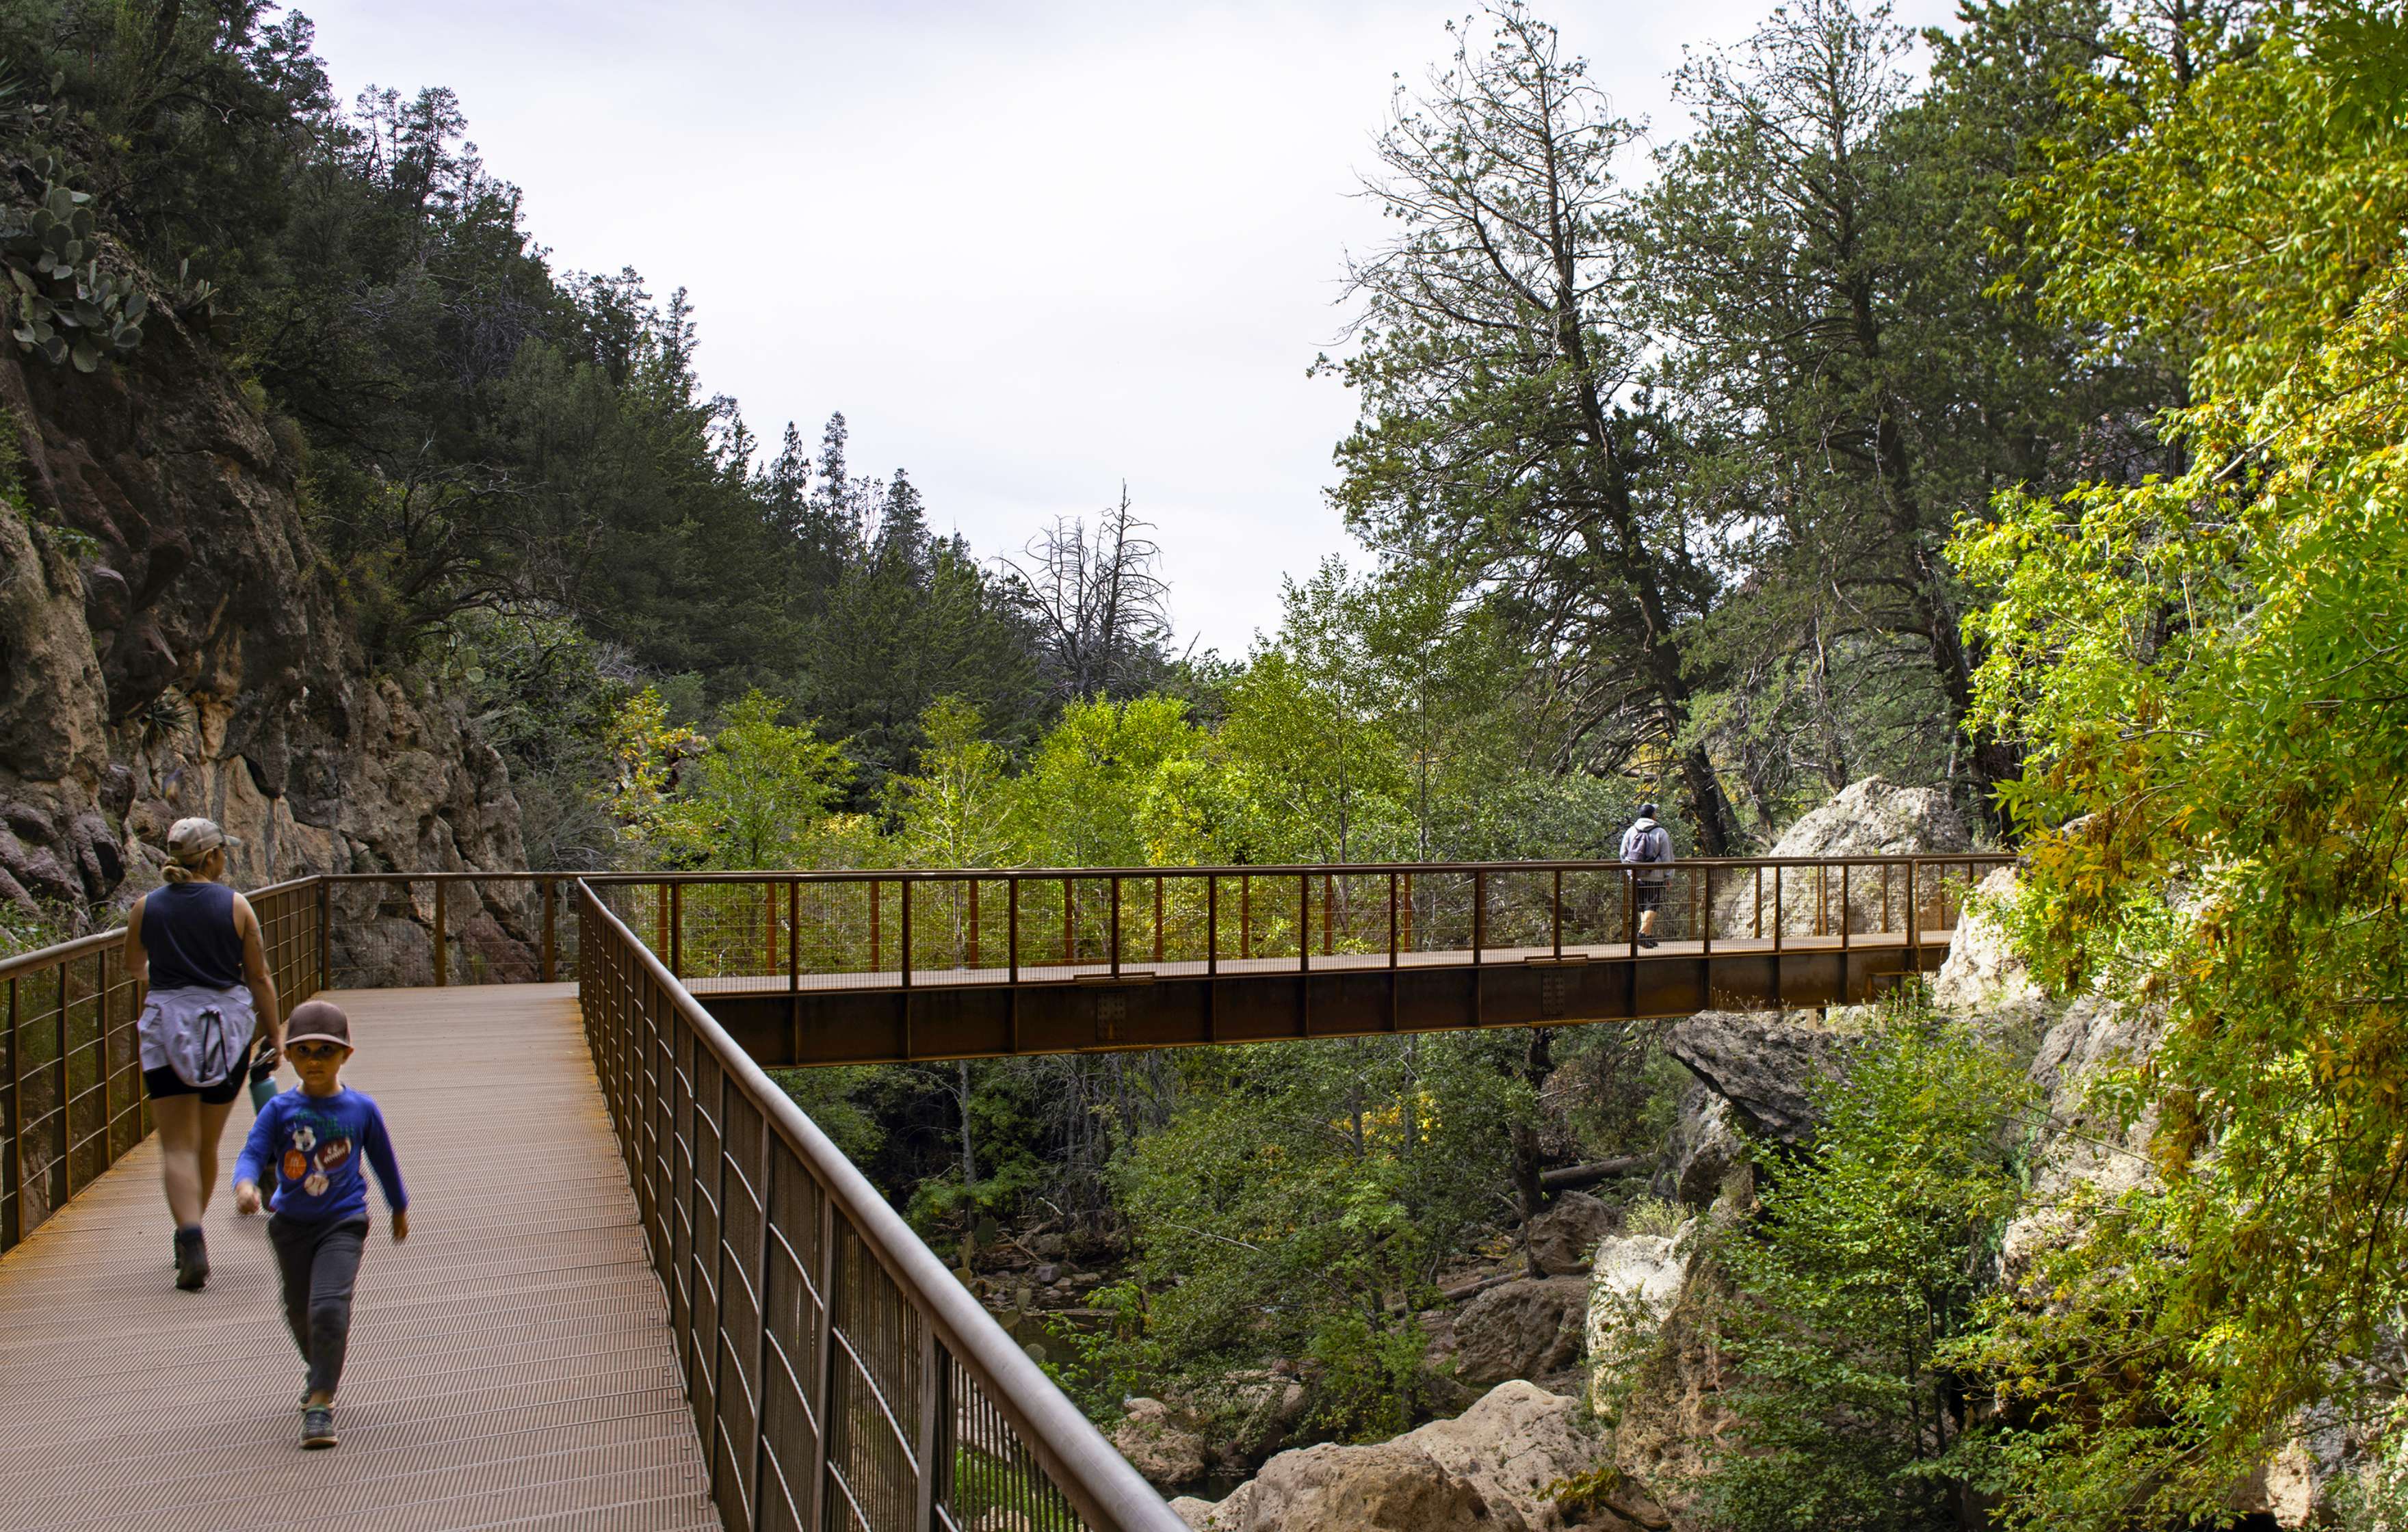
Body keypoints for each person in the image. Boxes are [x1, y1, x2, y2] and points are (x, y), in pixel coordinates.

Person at [233, 999, 410, 1450]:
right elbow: (253, 1151)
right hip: (290, 1224)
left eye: (325, 1052)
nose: (315, 1062)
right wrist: (246, 1186)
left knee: (328, 1307)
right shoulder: (278, 1111)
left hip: (343, 1221)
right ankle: (320, 1370)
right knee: (298, 1310)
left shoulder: (360, 1109)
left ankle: (320, 1403)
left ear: (346, 1055)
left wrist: (398, 1207)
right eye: (305, 1052)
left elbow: (383, 1159)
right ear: (289, 1056)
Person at [125, 817, 283, 1291]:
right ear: (213, 857)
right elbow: (258, 977)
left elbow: (136, 966)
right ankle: (195, 1232)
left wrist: (175, 988)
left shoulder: (145, 907)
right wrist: (274, 1035)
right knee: (206, 1144)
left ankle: (190, 1237)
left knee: (176, 1144)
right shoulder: (236, 905)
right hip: (227, 1032)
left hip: (166, 1030)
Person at [1619, 802, 1675, 949]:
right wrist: (1668, 876)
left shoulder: (1631, 831)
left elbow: (1623, 854)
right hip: (1655, 875)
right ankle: (1642, 934)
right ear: (1653, 815)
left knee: (1643, 905)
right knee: (1653, 905)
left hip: (1637, 875)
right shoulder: (1660, 832)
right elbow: (1667, 856)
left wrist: (1631, 871)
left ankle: (1647, 936)